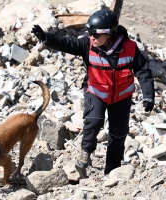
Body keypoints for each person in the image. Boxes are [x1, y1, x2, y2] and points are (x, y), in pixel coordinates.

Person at [31, 8, 155, 178]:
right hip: (96, 92)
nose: (92, 38)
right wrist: (47, 38)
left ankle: (112, 171)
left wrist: (148, 95)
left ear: (109, 34)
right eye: (90, 33)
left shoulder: (130, 48)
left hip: (121, 98)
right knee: (94, 121)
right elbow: (67, 44)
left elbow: (143, 71)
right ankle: (85, 154)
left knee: (118, 135)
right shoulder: (87, 44)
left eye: (96, 35)